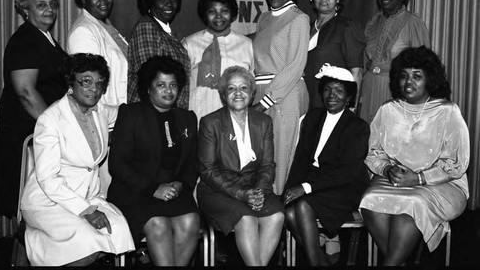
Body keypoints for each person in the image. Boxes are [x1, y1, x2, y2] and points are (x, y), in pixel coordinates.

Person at [20, 53, 135, 266]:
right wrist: (86, 210)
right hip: (49, 201)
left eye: (100, 83)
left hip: (88, 195)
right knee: (88, 241)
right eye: (87, 81)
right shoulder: (51, 119)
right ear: (71, 83)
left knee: (118, 229)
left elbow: (125, 113)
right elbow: (48, 179)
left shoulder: (99, 111)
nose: (95, 89)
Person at [359, 46, 470, 266]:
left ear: (430, 79)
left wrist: (418, 179)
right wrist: (386, 169)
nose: (409, 82)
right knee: (369, 202)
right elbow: (374, 152)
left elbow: (456, 163)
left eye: (417, 76)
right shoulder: (387, 110)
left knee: (410, 208)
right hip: (394, 179)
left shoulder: (448, 111)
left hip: (442, 183)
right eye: (404, 76)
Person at [107, 55, 200, 266]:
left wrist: (181, 184)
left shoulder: (187, 118)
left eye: (173, 85)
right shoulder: (131, 114)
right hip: (136, 193)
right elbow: (118, 164)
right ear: (148, 88)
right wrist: (153, 189)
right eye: (161, 85)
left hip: (175, 192)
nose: (168, 91)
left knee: (190, 221)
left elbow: (193, 162)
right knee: (158, 224)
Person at [0, 0, 68, 218]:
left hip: (37, 130)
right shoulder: (25, 40)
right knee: (32, 204)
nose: (49, 10)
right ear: (25, 9)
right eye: (41, 4)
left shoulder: (44, 38)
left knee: (37, 208)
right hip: (27, 131)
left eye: (52, 4)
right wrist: (54, 128)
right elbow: (25, 92)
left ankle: (24, 256)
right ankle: (22, 256)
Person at [197, 66, 285, 266]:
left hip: (254, 188)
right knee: (246, 218)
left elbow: (268, 165)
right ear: (223, 94)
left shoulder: (264, 121)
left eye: (244, 88)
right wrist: (241, 194)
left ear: (252, 93)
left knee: (277, 215)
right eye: (231, 89)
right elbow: (208, 171)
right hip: (218, 191)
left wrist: (259, 190)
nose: (238, 93)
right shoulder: (210, 123)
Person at [283, 64, 370, 266]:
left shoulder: (357, 127)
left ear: (349, 97)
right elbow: (301, 159)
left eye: (339, 91)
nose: (332, 95)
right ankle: (320, 260)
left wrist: (304, 188)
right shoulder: (313, 117)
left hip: (345, 187)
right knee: (288, 211)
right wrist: (289, 189)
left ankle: (315, 263)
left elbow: (346, 172)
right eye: (328, 89)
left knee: (303, 206)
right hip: (315, 183)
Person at [252, 0, 310, 194]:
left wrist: (266, 101)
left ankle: (279, 214)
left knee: (282, 154)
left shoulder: (299, 18)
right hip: (262, 92)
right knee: (264, 154)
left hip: (285, 94)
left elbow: (295, 66)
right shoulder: (264, 19)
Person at [359, 0, 430, 123]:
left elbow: (424, 70)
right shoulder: (372, 23)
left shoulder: (413, 24)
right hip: (369, 90)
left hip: (396, 94)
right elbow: (365, 64)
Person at [182, 0, 254, 121]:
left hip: (235, 119)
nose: (219, 16)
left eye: (224, 11)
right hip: (197, 117)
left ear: (233, 14)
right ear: (204, 14)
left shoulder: (246, 44)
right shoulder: (189, 44)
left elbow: (250, 87)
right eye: (212, 11)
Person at [304, 0, 365, 110]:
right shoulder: (305, 27)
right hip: (305, 101)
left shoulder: (347, 26)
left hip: (332, 104)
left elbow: (357, 72)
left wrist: (351, 109)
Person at [67, 0, 128, 107]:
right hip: (106, 117)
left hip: (120, 113)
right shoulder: (83, 31)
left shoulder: (107, 26)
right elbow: (88, 88)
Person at [127, 0, 191, 109]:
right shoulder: (147, 27)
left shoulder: (164, 30)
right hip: (152, 113)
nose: (169, 4)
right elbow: (150, 79)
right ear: (151, 2)